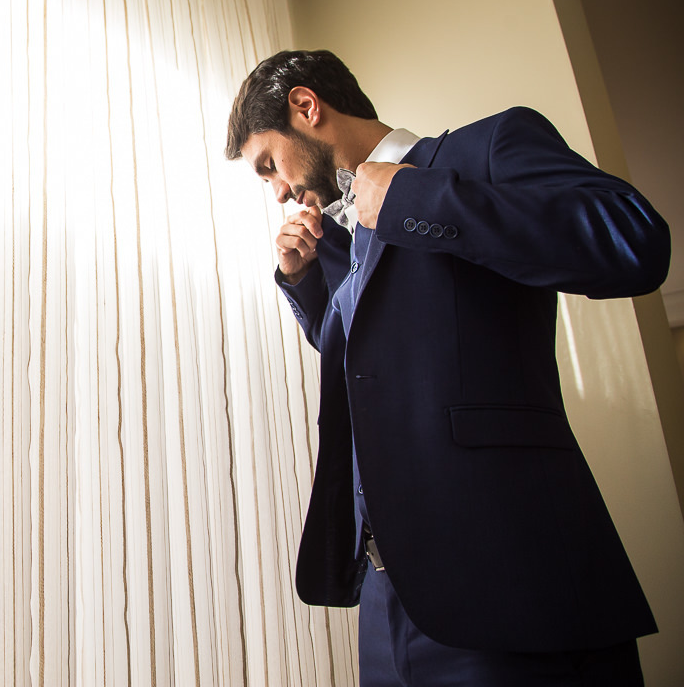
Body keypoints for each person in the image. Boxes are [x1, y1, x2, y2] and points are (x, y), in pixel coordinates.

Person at [225, 49, 669, 686]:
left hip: (509, 586)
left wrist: (414, 195)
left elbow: (633, 239)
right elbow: (382, 363)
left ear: (305, 106)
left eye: (269, 164)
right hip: (386, 609)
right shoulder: (345, 237)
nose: (277, 191)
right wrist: (305, 282)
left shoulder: (483, 151)